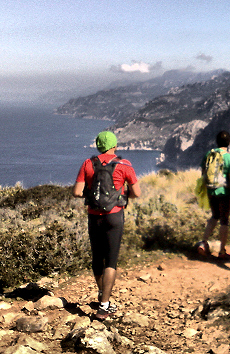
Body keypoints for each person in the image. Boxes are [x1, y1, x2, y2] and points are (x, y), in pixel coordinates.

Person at [72, 131, 141, 320]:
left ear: (98, 146)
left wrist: (92, 194)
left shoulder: (88, 163)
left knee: (97, 259)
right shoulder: (124, 164)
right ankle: (104, 305)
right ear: (114, 146)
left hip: (94, 216)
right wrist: (122, 194)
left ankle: (103, 295)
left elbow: (77, 192)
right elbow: (137, 193)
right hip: (114, 216)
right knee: (111, 261)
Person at [197, 130, 230, 261]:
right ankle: (222, 251)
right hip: (224, 193)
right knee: (224, 220)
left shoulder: (208, 154)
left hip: (211, 191)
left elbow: (203, 173)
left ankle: (204, 242)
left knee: (214, 216)